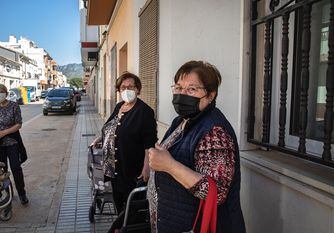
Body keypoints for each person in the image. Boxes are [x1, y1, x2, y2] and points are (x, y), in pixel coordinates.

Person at [147, 61, 246, 233]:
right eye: (178, 87)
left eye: (192, 89)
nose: (182, 94)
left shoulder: (215, 132)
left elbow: (217, 193)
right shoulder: (182, 121)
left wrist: (169, 165)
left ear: (210, 95)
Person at [90, 72, 157, 214]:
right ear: (119, 90)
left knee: (131, 206)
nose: (126, 90)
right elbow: (110, 126)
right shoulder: (119, 106)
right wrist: (100, 138)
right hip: (114, 167)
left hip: (132, 168)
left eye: (130, 87)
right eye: (122, 87)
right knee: (118, 201)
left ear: (138, 89)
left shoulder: (145, 112)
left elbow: (149, 144)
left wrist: (146, 167)